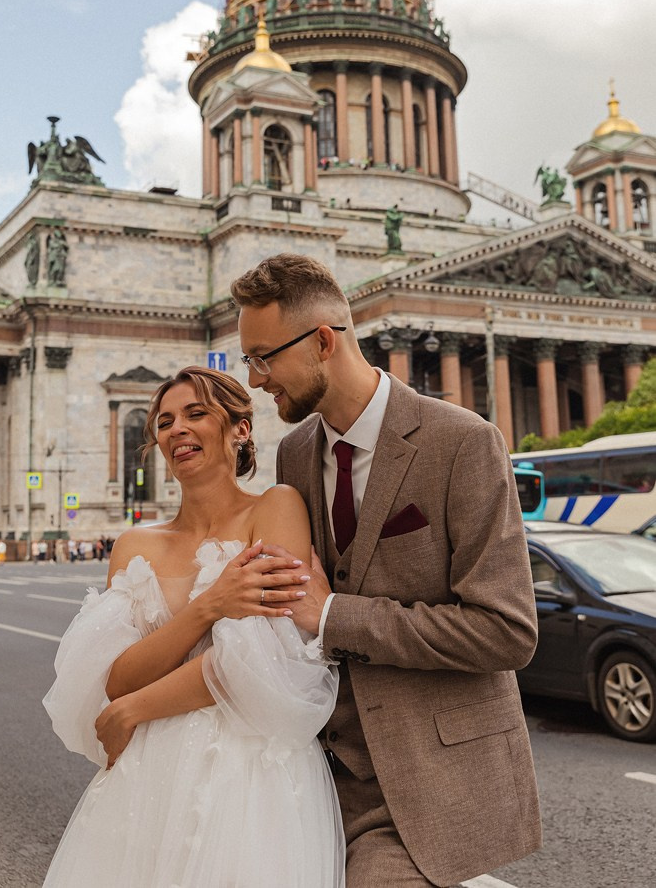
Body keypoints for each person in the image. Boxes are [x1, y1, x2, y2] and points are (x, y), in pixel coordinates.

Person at [231, 254, 542, 888]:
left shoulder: (464, 443)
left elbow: (506, 631)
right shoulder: (293, 454)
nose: (258, 380)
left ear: (322, 341)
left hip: (424, 784)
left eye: (264, 358)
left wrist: (335, 615)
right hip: (312, 776)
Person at [42, 366, 344, 888]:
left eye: (196, 413)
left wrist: (134, 709)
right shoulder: (134, 546)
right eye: (164, 422)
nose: (176, 429)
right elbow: (116, 679)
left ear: (240, 430)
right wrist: (208, 609)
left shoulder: (276, 506)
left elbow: (263, 661)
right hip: (145, 777)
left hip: (249, 770)